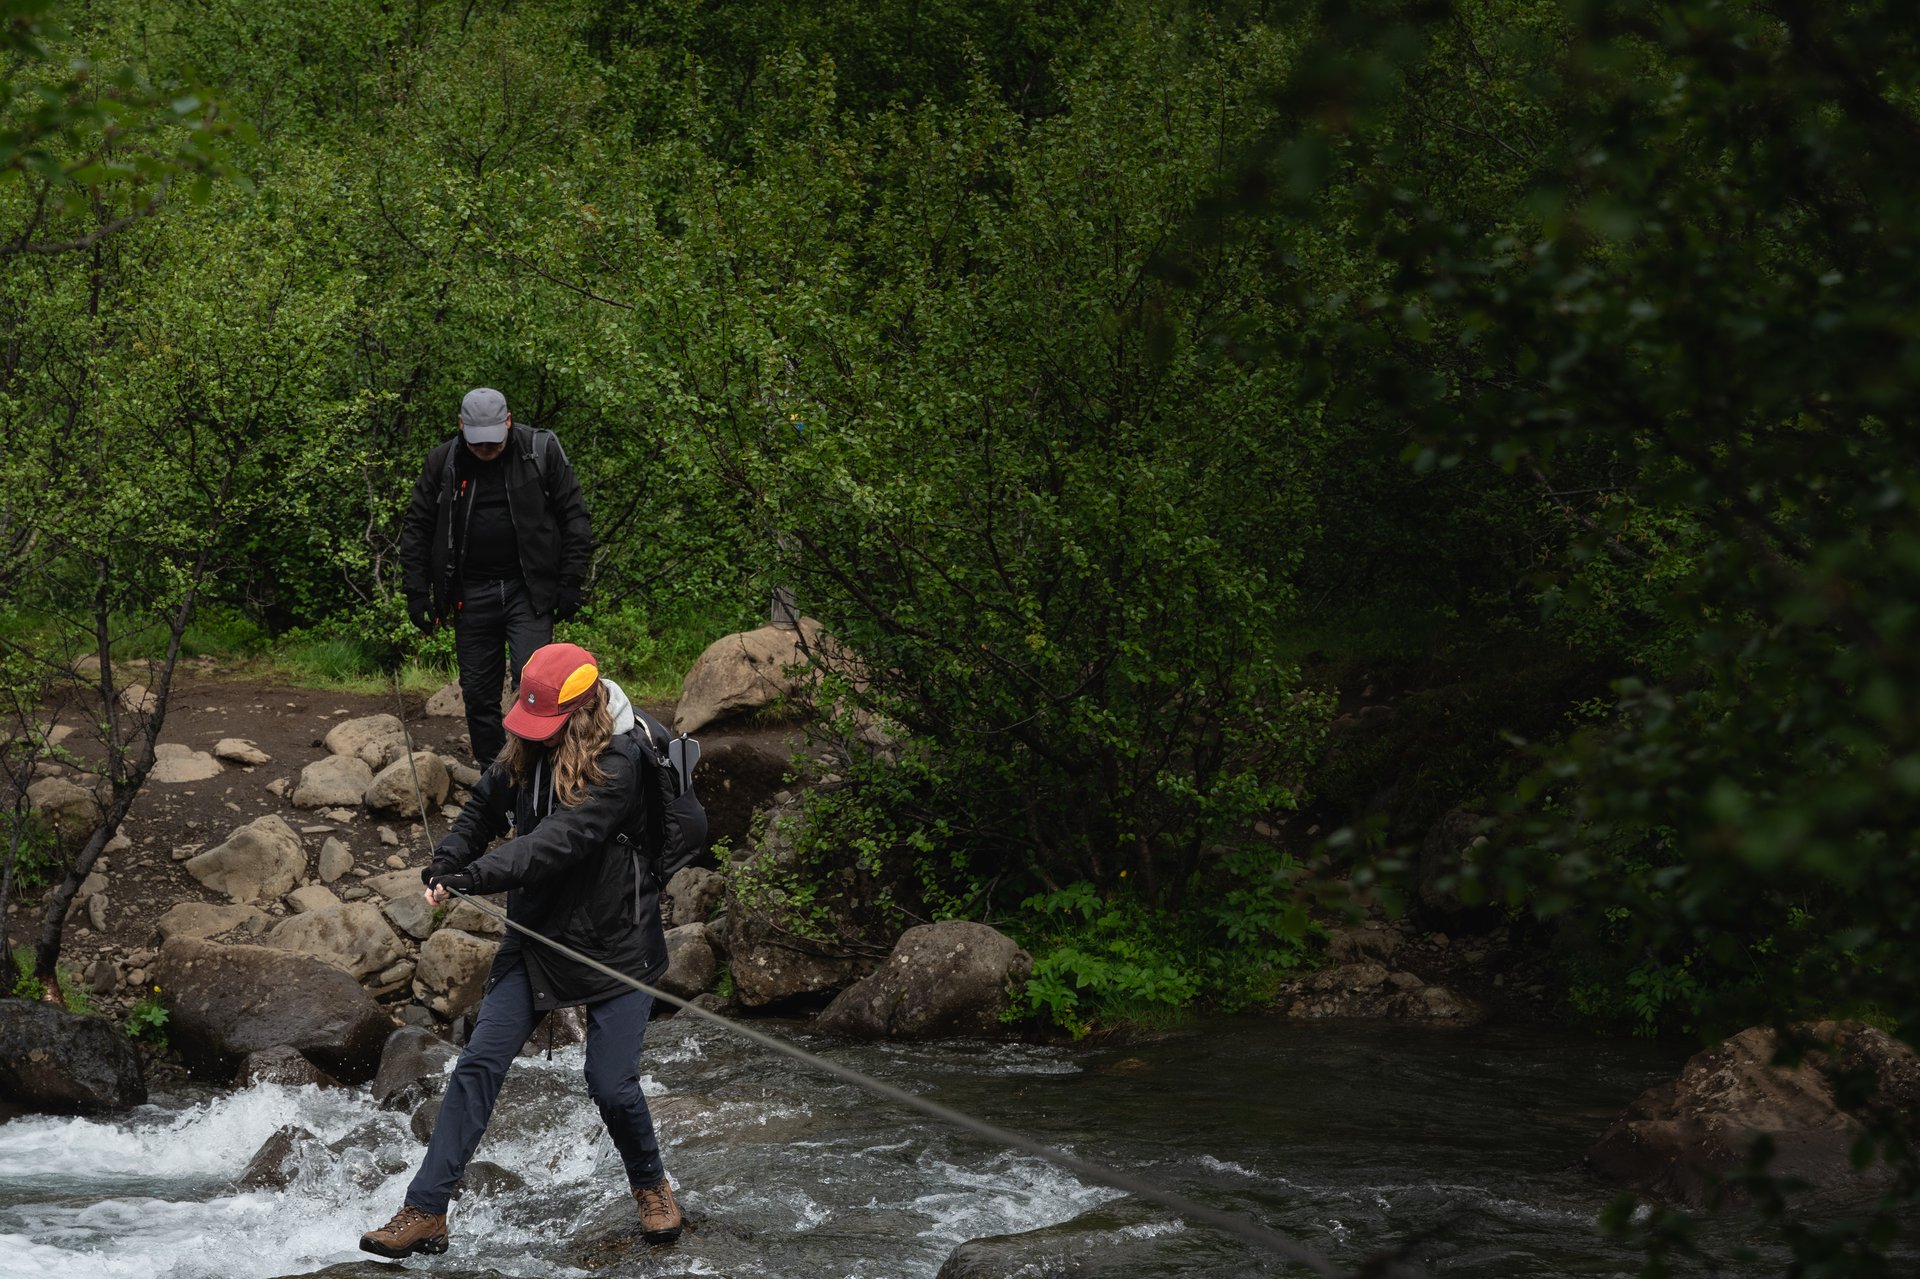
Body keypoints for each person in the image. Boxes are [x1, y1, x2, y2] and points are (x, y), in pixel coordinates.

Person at [359, 642, 682, 1259]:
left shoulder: (621, 764)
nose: (533, 733)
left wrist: (476, 876)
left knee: (611, 1084)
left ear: (582, 712)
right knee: (478, 1065)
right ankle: (426, 1210)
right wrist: (449, 859)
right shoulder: (526, 750)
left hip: (616, 944)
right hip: (536, 937)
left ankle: (651, 1186)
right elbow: (484, 807)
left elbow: (558, 841)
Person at [401, 387, 594, 765]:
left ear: (508, 421)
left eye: (493, 440)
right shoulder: (444, 462)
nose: (486, 448)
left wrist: (571, 580)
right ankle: (495, 775)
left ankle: (535, 773)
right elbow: (418, 526)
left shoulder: (539, 451)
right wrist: (416, 592)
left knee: (535, 687)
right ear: (461, 426)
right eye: (478, 441)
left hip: (529, 591)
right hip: (470, 594)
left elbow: (575, 515)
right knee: (477, 693)